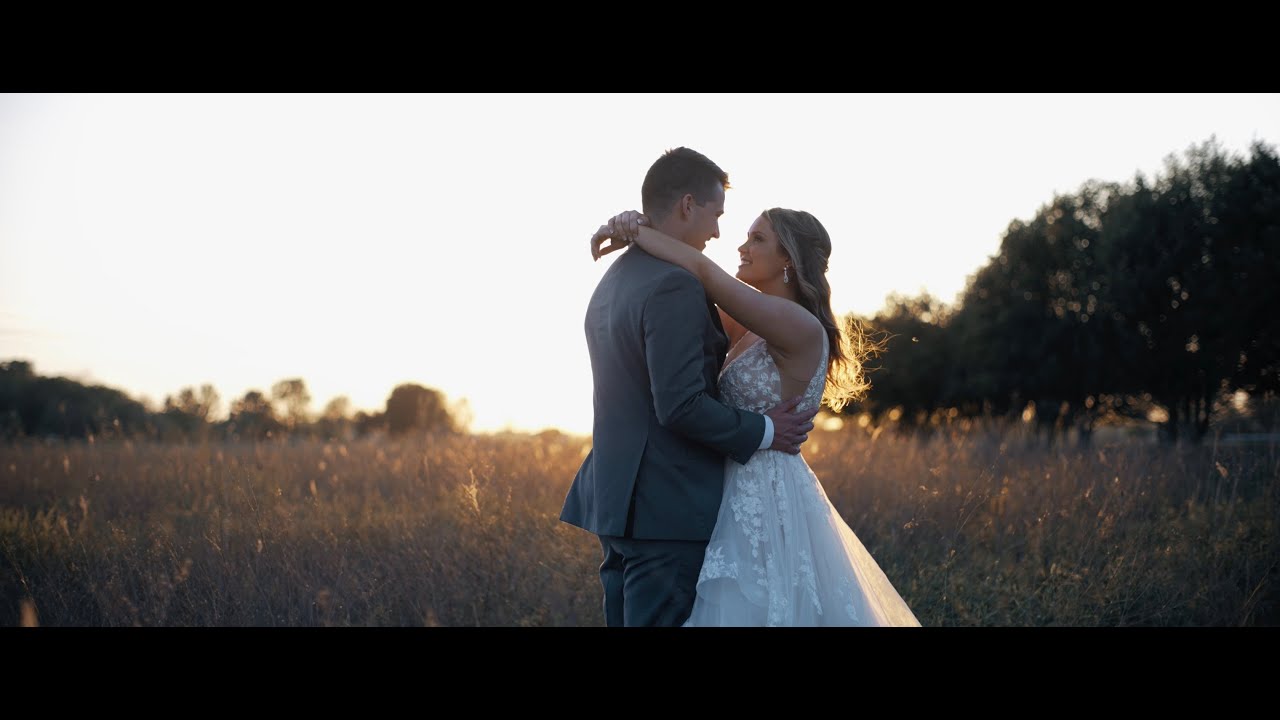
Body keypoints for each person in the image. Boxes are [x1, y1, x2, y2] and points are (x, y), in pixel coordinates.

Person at [593, 204, 921, 626]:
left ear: (789, 259)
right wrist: (636, 225)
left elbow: (703, 273)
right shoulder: (747, 323)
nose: (742, 247)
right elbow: (688, 290)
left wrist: (640, 231)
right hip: (723, 483)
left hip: (764, 493)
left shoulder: (796, 324)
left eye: (758, 239)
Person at [559, 147, 819, 628]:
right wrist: (764, 431)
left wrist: (634, 229)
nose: (720, 233)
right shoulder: (674, 285)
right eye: (717, 215)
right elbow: (680, 405)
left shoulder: (615, 280)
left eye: (752, 236)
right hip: (668, 506)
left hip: (620, 501)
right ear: (686, 205)